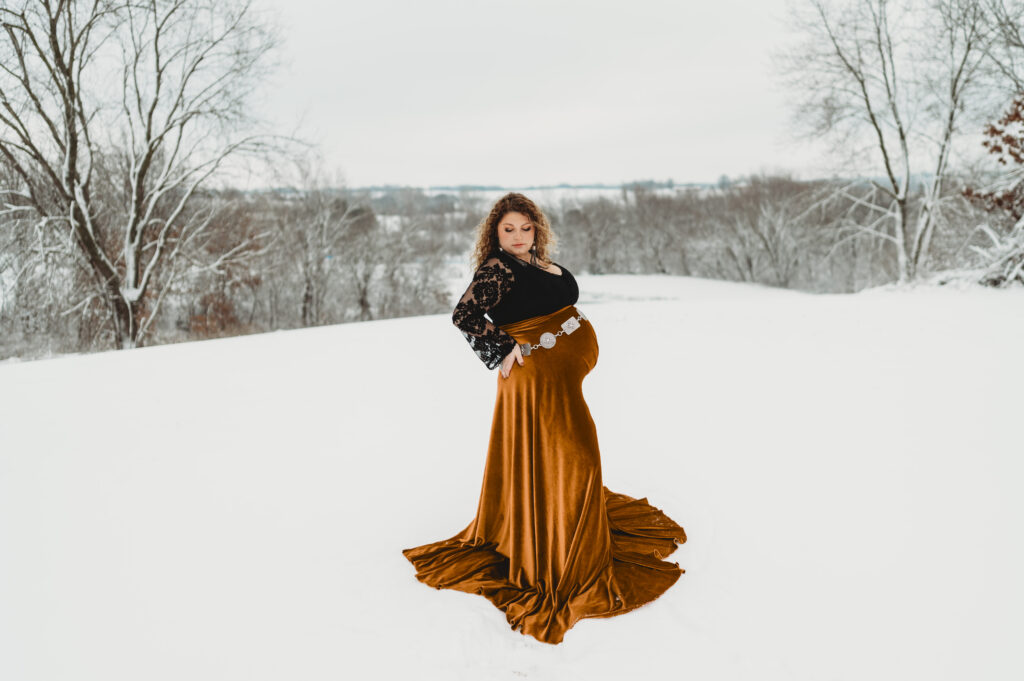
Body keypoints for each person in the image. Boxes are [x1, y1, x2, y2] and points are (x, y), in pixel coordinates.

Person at [401, 192, 687, 644]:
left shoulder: (537, 262)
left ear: (537, 228)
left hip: (559, 380)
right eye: (508, 229)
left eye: (525, 228)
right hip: (536, 384)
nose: (517, 237)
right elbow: (464, 314)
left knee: (566, 460)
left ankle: (562, 524)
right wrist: (502, 349)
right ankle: (557, 549)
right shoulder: (497, 269)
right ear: (495, 233)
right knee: (581, 459)